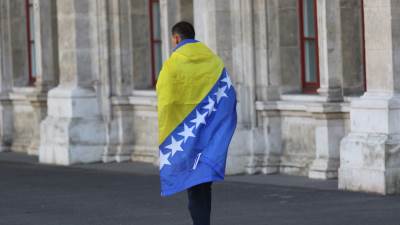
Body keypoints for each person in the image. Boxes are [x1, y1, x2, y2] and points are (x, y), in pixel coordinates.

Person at [156, 21, 237, 225]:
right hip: (208, 135)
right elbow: (227, 95)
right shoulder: (213, 60)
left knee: (193, 183)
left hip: (185, 135)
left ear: (176, 38)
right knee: (203, 183)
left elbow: (165, 100)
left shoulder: (172, 64)